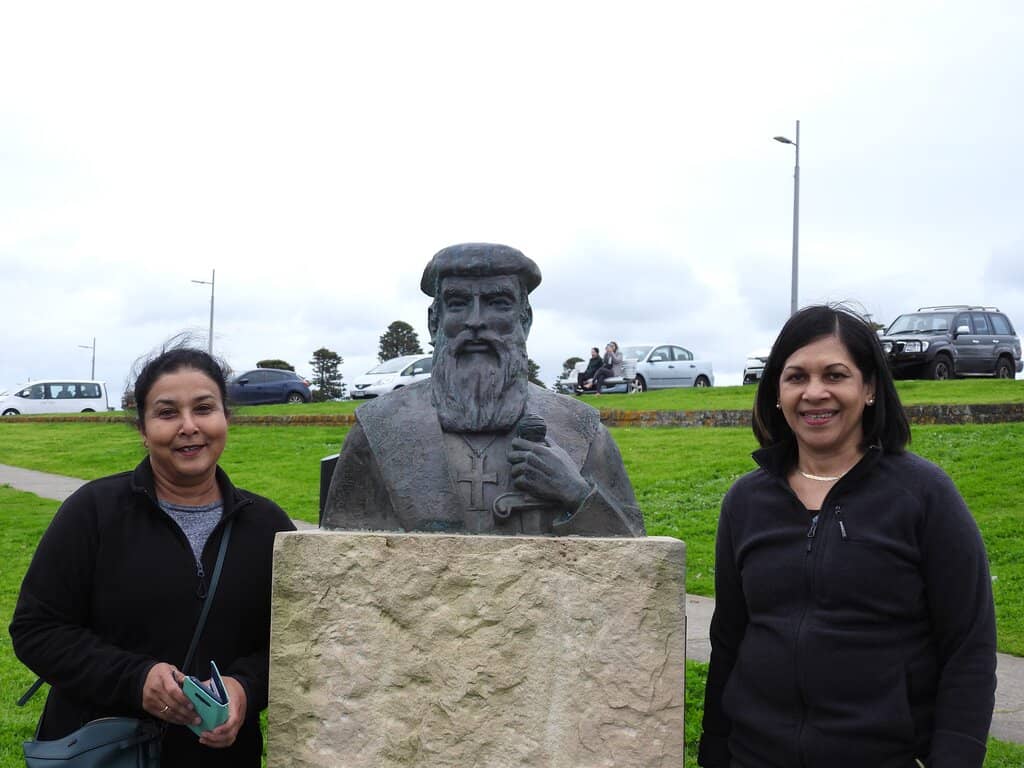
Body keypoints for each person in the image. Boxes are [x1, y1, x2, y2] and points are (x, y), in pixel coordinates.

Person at [697, 305, 996, 768]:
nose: (815, 393)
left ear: (870, 387)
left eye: (835, 375)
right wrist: (713, 751)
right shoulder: (745, 502)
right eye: (796, 377)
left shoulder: (922, 496)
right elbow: (729, 641)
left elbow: (969, 648)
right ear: (777, 392)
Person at [10, 345, 296, 766]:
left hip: (220, 757)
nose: (188, 426)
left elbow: (294, 642)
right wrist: (136, 679)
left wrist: (245, 688)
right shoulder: (93, 512)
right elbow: (37, 630)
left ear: (225, 419)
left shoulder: (267, 526)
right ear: (142, 429)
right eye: (166, 413)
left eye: (204, 408)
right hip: (105, 751)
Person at [322, 242, 644, 537]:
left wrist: (576, 494)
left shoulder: (582, 432)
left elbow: (641, 566)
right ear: (435, 322)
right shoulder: (378, 433)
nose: (476, 321)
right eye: (459, 303)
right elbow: (334, 564)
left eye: (498, 303)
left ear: (525, 320)